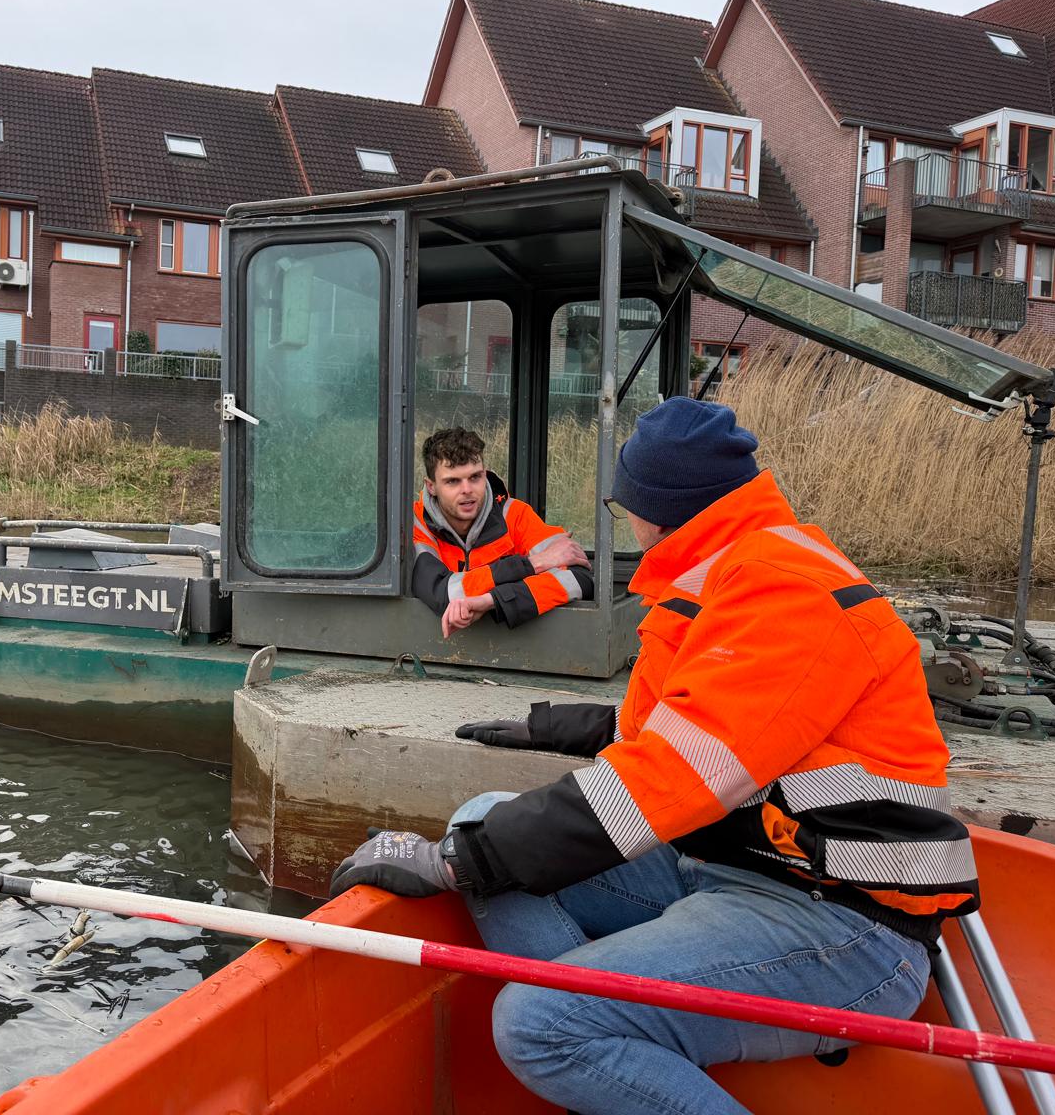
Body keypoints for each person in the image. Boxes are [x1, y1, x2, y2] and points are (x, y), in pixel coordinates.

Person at [333, 398, 975, 1115]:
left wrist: (457, 863)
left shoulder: (781, 591)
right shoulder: (731, 568)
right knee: (484, 816)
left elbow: (678, 773)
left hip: (842, 923)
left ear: (656, 509)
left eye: (620, 502)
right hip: (742, 868)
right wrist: (553, 725)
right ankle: (612, 1047)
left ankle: (585, 1030)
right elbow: (704, 724)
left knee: (537, 1020)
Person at [413, 426, 592, 638]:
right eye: (453, 481)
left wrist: (492, 600)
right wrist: (536, 563)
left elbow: (579, 579)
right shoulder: (415, 524)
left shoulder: (514, 515)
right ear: (431, 486)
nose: (467, 490)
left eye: (475, 477)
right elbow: (445, 594)